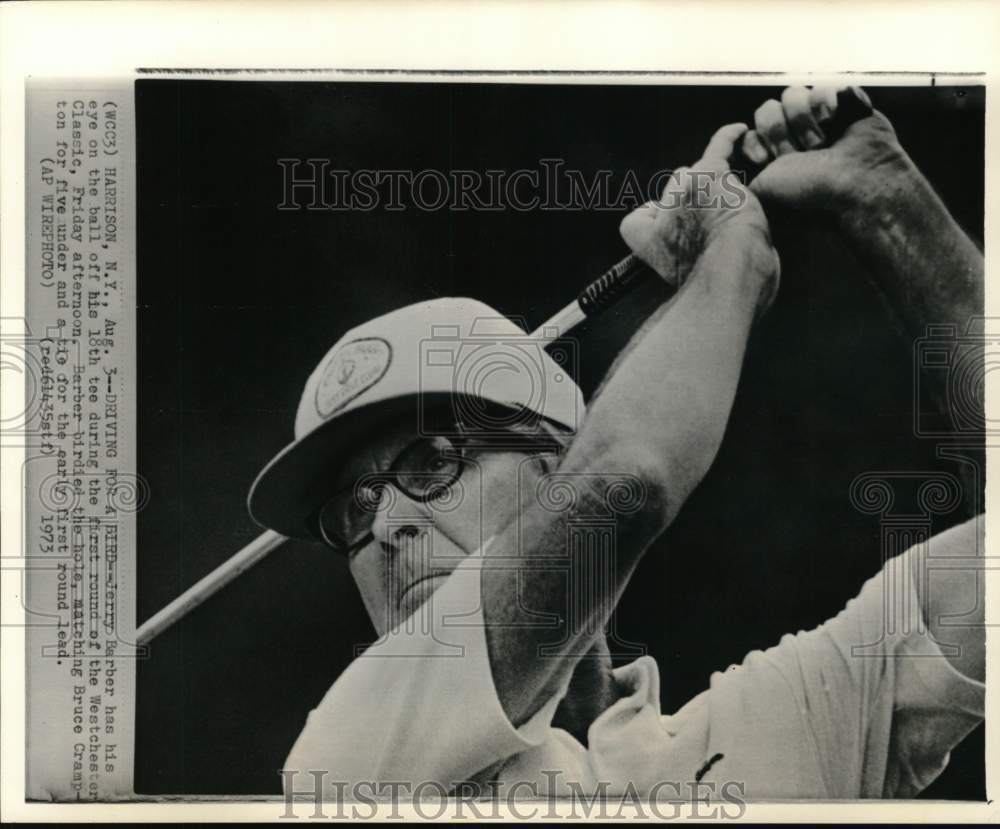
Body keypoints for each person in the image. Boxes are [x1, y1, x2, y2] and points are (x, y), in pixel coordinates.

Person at [248, 86, 985, 802]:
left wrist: (885, 198)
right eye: (354, 507)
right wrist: (731, 251)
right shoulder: (350, 751)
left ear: (554, 466)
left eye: (433, 462)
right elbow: (622, 485)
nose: (383, 527)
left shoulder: (786, 724)